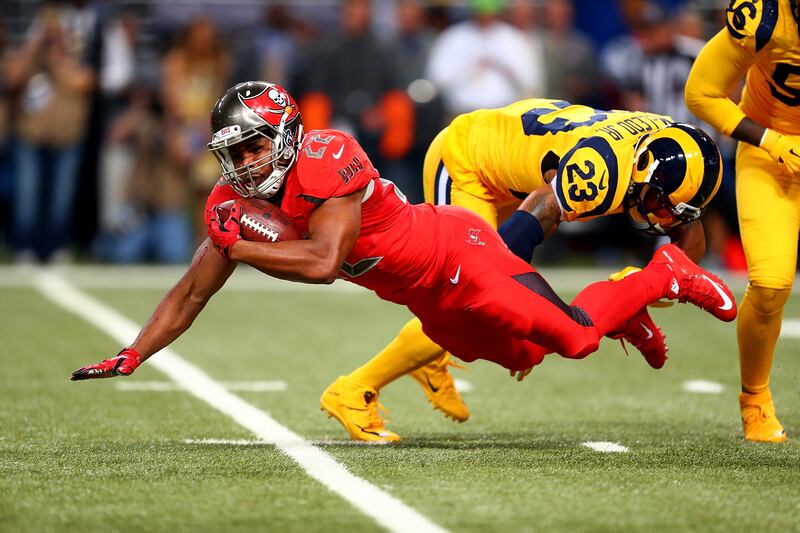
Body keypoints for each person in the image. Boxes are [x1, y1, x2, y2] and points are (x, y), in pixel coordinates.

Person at [70, 82, 737, 447]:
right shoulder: (234, 200)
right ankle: (625, 307)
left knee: (575, 337)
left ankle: (662, 276)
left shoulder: (326, 157)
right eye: (233, 154)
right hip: (426, 297)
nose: (243, 165)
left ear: (287, 137)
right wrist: (133, 353)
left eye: (253, 148)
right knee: (526, 355)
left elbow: (325, 261)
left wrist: (237, 244)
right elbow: (191, 293)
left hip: (459, 251)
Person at [324, 97, 725, 437]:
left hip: (516, 172)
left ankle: (430, 356)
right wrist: (523, 316)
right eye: (657, 203)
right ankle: (357, 387)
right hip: (469, 163)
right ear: (643, 169)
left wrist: (635, 294)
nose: (660, 216)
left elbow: (687, 243)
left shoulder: (672, 152)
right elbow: (507, 251)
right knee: (463, 292)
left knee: (478, 307)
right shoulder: (598, 170)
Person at [684, 0, 800, 443]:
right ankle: (755, 399)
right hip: (773, 155)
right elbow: (701, 92)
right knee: (770, 285)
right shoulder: (764, 19)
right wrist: (772, 141)